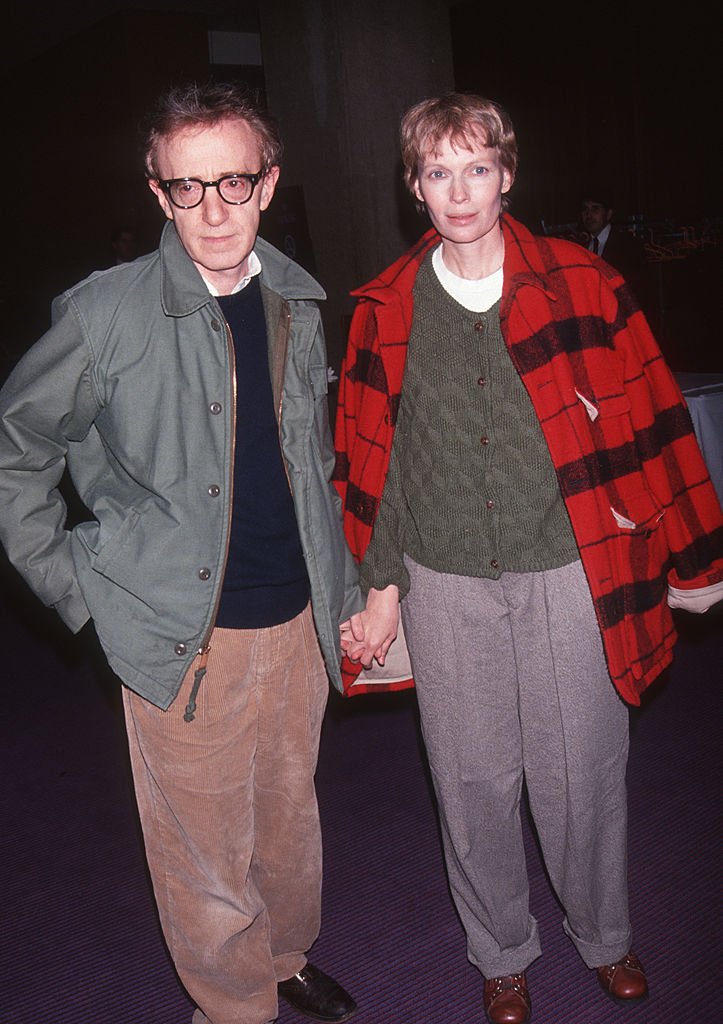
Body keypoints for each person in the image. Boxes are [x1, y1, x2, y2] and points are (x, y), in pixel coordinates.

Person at [335, 93, 723, 1024]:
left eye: (476, 168)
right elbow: (367, 461)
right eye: (437, 171)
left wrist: (692, 557)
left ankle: (603, 934)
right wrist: (378, 583)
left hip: (569, 567)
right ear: (413, 188)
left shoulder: (583, 285)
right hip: (443, 578)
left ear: (506, 174)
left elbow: (653, 416)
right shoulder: (383, 309)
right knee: (469, 782)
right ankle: (500, 951)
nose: (458, 190)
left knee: (581, 766)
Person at [0, 82, 362, 1024]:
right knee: (203, 850)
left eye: (233, 182)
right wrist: (75, 584)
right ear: (157, 194)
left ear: (268, 184)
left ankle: (282, 959)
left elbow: (311, 462)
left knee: (287, 824)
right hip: (179, 630)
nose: (213, 210)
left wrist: (347, 587)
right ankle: (233, 1007)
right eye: (187, 188)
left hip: (295, 620)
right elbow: (15, 450)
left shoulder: (295, 299)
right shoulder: (105, 314)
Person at [579, 191, 654, 319]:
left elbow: (638, 291)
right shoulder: (579, 247)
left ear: (609, 214)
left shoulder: (628, 246)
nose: (589, 215)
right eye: (585, 209)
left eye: (595, 209)